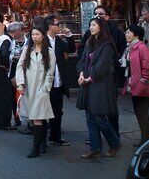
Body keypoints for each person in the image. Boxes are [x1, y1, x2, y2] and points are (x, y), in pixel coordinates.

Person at [76, 17, 121, 159]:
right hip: (87, 84)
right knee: (90, 118)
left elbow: (102, 66)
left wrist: (89, 78)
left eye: (94, 25)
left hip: (99, 84)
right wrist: (81, 74)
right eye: (90, 25)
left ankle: (114, 143)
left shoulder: (107, 45)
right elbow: (82, 61)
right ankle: (95, 148)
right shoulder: (90, 42)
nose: (91, 27)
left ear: (101, 26)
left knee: (99, 117)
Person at [80, 5, 126, 135]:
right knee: (92, 111)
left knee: (109, 109)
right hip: (91, 77)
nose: (97, 16)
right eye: (95, 14)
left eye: (100, 14)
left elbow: (122, 52)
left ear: (107, 17)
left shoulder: (116, 33)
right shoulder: (90, 34)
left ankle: (114, 136)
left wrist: (112, 64)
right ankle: (95, 139)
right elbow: (82, 51)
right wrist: (83, 71)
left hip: (110, 76)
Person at [15, 26, 55, 158]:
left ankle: (35, 147)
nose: (35, 37)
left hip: (41, 88)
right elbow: (20, 66)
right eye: (33, 35)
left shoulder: (49, 52)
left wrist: (46, 88)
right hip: (28, 88)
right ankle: (42, 142)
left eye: (37, 34)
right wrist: (20, 83)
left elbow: (50, 72)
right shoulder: (27, 50)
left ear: (43, 35)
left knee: (37, 117)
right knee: (35, 118)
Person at [42, 15, 76, 146]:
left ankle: (55, 136)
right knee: (44, 111)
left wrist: (69, 36)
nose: (60, 26)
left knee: (57, 110)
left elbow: (71, 49)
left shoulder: (59, 40)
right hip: (45, 83)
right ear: (50, 26)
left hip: (58, 82)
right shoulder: (42, 40)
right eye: (57, 24)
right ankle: (42, 139)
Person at [123, 24, 149, 146]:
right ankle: (148, 137)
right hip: (135, 84)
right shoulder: (130, 48)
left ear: (136, 35)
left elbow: (147, 66)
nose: (126, 34)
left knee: (142, 112)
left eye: (128, 32)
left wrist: (144, 80)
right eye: (126, 32)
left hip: (142, 85)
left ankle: (147, 139)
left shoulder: (141, 47)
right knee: (139, 112)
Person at [0, 24, 14, 130]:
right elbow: (4, 54)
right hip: (1, 72)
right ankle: (4, 122)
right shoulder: (7, 40)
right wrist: (6, 66)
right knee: (5, 97)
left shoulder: (2, 38)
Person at [7, 22, 26, 127]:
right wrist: (13, 57)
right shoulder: (10, 42)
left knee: (24, 94)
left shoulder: (27, 41)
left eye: (14, 32)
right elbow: (8, 55)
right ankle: (16, 117)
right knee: (14, 95)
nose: (13, 34)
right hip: (13, 69)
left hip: (24, 70)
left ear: (19, 31)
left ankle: (26, 117)